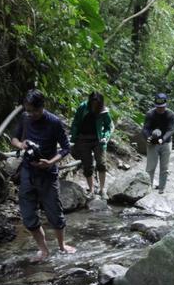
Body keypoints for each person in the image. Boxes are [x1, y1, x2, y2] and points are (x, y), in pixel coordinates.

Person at [10, 89, 76, 262]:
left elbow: (66, 148)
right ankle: (43, 250)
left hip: (48, 174)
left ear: (42, 107)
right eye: (28, 110)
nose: (31, 114)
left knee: (54, 212)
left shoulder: (54, 122)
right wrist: (21, 145)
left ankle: (61, 246)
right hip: (27, 172)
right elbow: (14, 139)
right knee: (28, 215)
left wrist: (50, 162)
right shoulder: (25, 118)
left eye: (34, 111)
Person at [69, 91, 113, 198]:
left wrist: (105, 137)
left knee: (101, 164)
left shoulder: (104, 111)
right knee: (88, 166)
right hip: (83, 139)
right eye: (93, 101)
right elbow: (76, 122)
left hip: (98, 140)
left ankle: (102, 189)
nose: (94, 104)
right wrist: (74, 138)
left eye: (97, 102)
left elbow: (108, 127)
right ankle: (92, 190)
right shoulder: (82, 107)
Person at [143, 92, 174, 194]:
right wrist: (148, 138)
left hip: (166, 143)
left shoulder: (171, 115)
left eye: (162, 107)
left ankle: (161, 189)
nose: (160, 109)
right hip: (152, 143)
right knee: (150, 167)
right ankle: (148, 188)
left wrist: (163, 139)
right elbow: (145, 129)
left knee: (164, 168)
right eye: (158, 107)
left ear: (165, 105)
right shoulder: (150, 114)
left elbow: (171, 130)